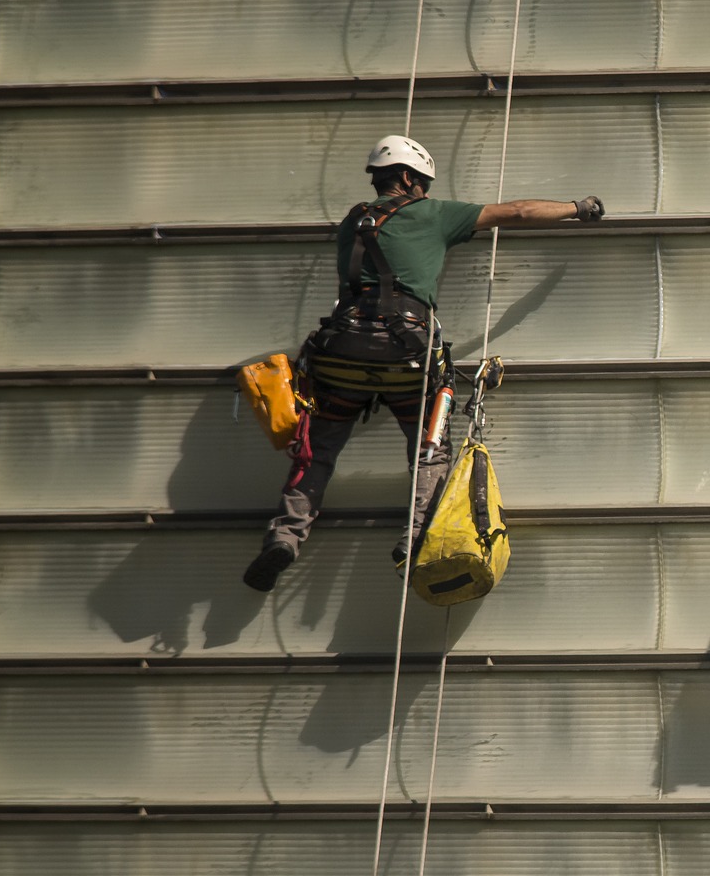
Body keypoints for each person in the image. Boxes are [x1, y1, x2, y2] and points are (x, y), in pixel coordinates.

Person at [242, 135, 603, 592]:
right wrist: (578, 206)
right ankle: (415, 538)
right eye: (424, 184)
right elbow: (517, 212)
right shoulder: (432, 213)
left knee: (317, 449)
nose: (428, 193)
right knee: (430, 447)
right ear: (409, 178)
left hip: (341, 352)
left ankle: (286, 537)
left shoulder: (351, 221)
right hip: (405, 354)